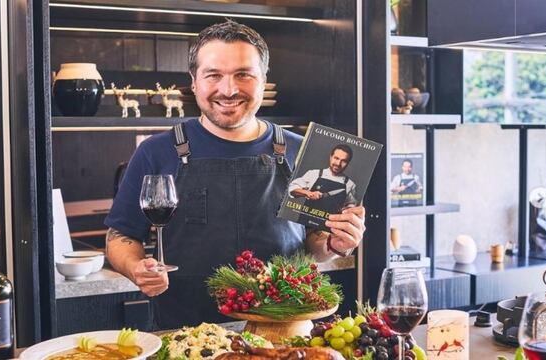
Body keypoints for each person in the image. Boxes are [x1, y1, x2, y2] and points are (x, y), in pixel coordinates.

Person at [104, 20, 366, 330]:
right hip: (187, 334)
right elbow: (120, 236)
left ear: (263, 79)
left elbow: (315, 247)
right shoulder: (155, 151)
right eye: (213, 75)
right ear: (194, 81)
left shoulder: (305, 152)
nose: (229, 90)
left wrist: (338, 243)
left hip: (283, 332)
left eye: (243, 74)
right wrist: (136, 267)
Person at [288, 144, 358, 211]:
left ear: (348, 163)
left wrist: (347, 209)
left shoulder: (350, 184)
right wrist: (308, 193)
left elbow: (351, 205)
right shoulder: (313, 173)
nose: (338, 163)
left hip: (331, 222)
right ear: (331, 156)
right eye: (336, 158)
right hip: (305, 221)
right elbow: (292, 189)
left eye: (344, 161)